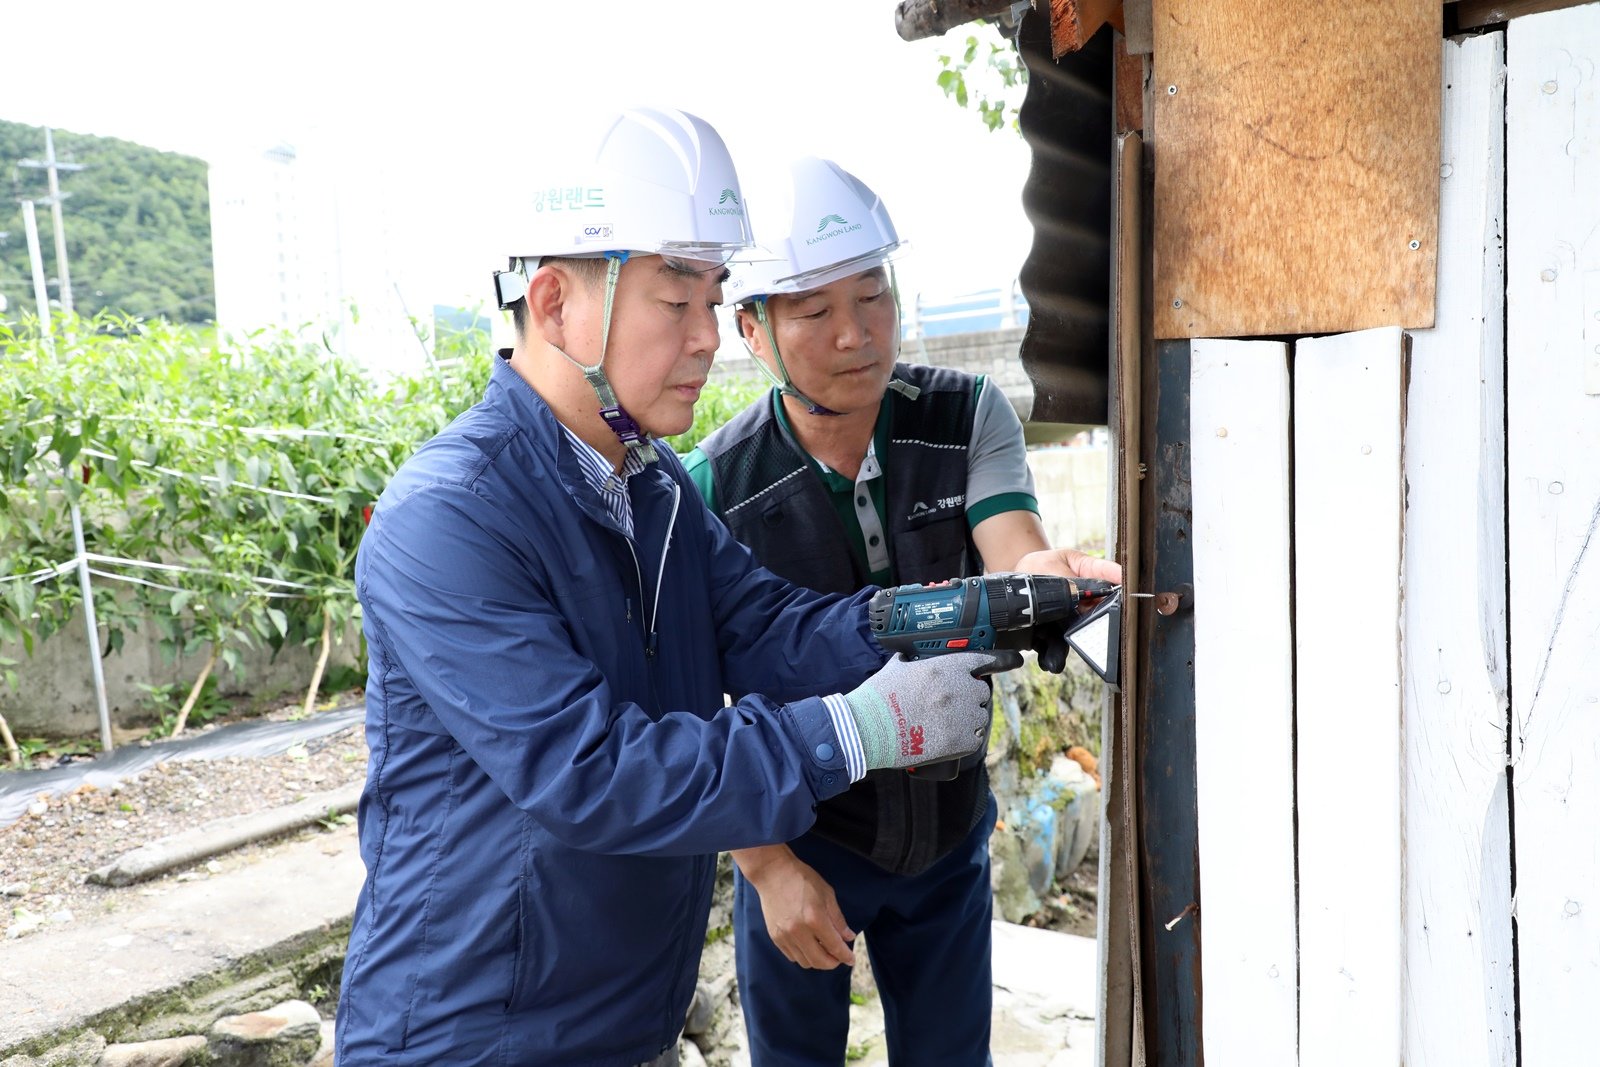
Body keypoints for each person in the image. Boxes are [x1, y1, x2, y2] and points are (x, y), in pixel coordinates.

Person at [334, 112, 1012, 1067]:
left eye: (714, 298)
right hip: (474, 1033)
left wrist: (946, 615)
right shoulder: (451, 516)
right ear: (555, 302)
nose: (707, 339)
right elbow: (590, 770)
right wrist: (857, 730)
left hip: (622, 1021)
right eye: (675, 300)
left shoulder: (651, 488)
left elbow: (766, 625)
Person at [682, 157, 1123, 1066]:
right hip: (804, 838)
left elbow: (1012, 549)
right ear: (753, 330)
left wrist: (1046, 577)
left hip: (947, 833)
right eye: (814, 310)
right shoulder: (713, 486)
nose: (856, 333)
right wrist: (767, 867)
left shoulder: (966, 414)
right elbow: (700, 704)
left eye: (872, 294)